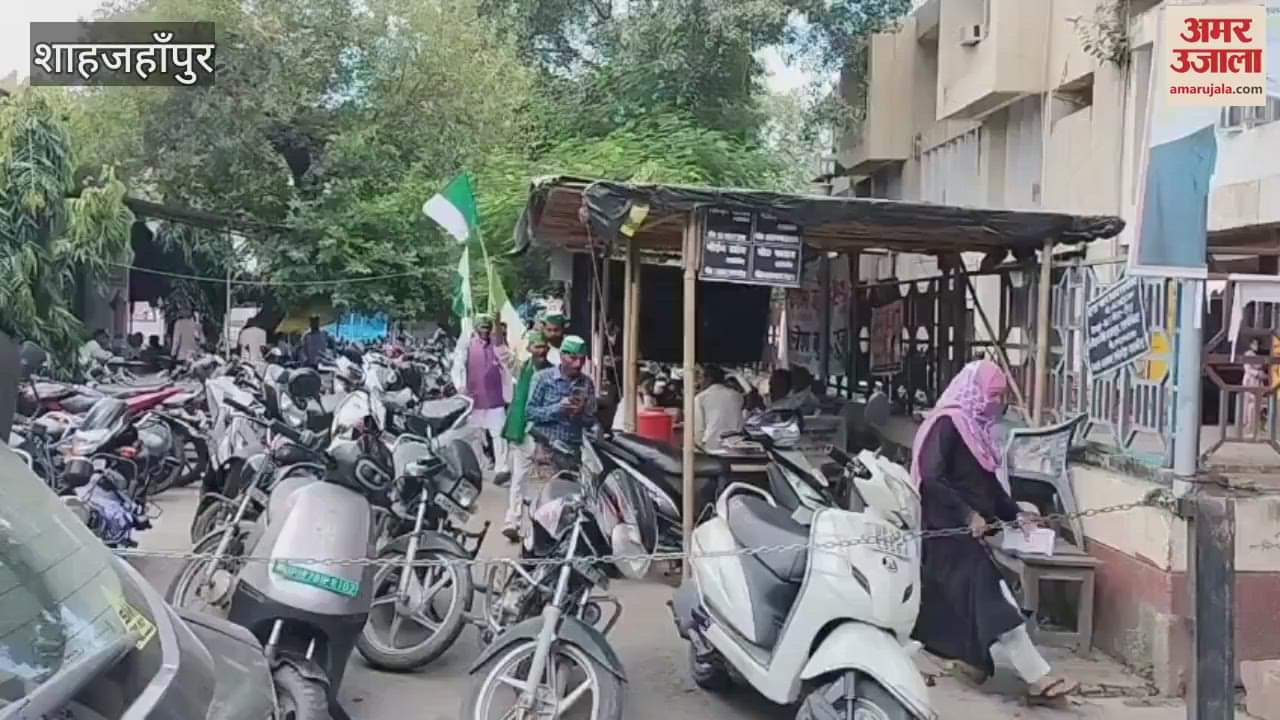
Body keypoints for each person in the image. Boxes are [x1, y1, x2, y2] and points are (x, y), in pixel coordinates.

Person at [910, 359, 1078, 703]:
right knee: (994, 595)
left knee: (973, 598)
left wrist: (1016, 514)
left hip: (969, 534)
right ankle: (1037, 677)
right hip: (944, 532)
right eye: (992, 394)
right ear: (974, 391)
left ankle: (973, 662)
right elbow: (931, 477)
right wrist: (968, 514)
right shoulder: (947, 424)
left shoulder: (978, 430)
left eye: (1001, 396)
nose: (997, 403)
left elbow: (987, 486)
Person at [498, 331, 554, 541]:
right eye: (537, 346)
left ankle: (542, 528)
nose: (541, 351)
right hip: (523, 433)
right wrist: (498, 329)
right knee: (518, 480)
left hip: (544, 435)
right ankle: (512, 521)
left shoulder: (553, 373)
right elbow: (503, 354)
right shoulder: (522, 369)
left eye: (543, 347)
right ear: (529, 349)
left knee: (546, 484)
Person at [452, 314, 511, 475]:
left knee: (499, 433)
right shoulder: (467, 345)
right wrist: (460, 386)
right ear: (476, 328)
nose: (485, 330)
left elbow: (507, 365)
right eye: (482, 327)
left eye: (488, 327)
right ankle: (479, 466)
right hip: (474, 398)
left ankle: (501, 468)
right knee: (475, 435)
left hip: (495, 397)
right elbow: (458, 365)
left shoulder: (497, 345)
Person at [526, 335, 597, 467]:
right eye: (573, 358)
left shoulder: (587, 383)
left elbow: (591, 420)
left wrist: (579, 413)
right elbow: (530, 413)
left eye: (582, 359)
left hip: (572, 452)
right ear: (561, 356)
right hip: (546, 451)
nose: (578, 364)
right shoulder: (543, 378)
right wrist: (558, 409)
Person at [693, 365, 744, 451]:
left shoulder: (700, 398)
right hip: (737, 444)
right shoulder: (737, 395)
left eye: (701, 378)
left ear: (709, 379)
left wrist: (698, 449)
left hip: (711, 445)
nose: (699, 382)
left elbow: (699, 429)